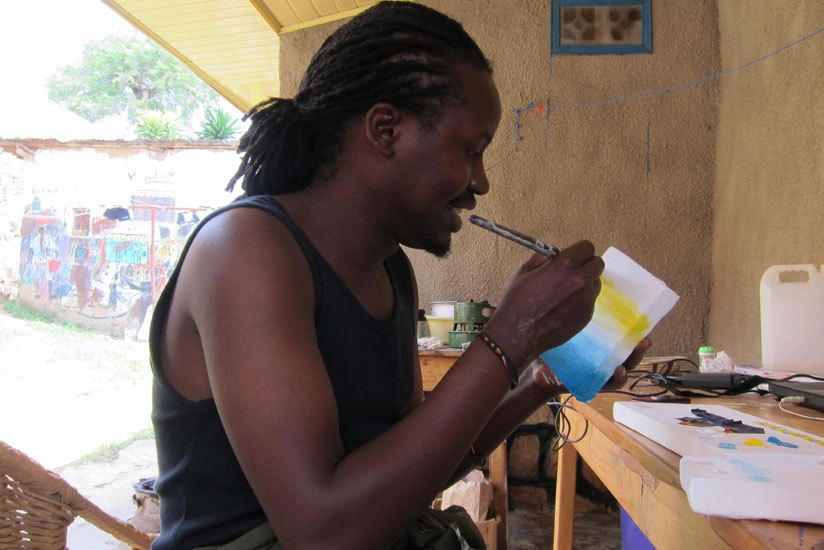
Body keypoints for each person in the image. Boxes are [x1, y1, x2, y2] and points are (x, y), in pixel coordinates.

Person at [148, 2, 651, 549]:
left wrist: (536, 382)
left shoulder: (392, 271)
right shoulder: (246, 251)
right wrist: (510, 336)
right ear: (385, 130)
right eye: (471, 150)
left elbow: (416, 470)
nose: (481, 182)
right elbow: (322, 533)